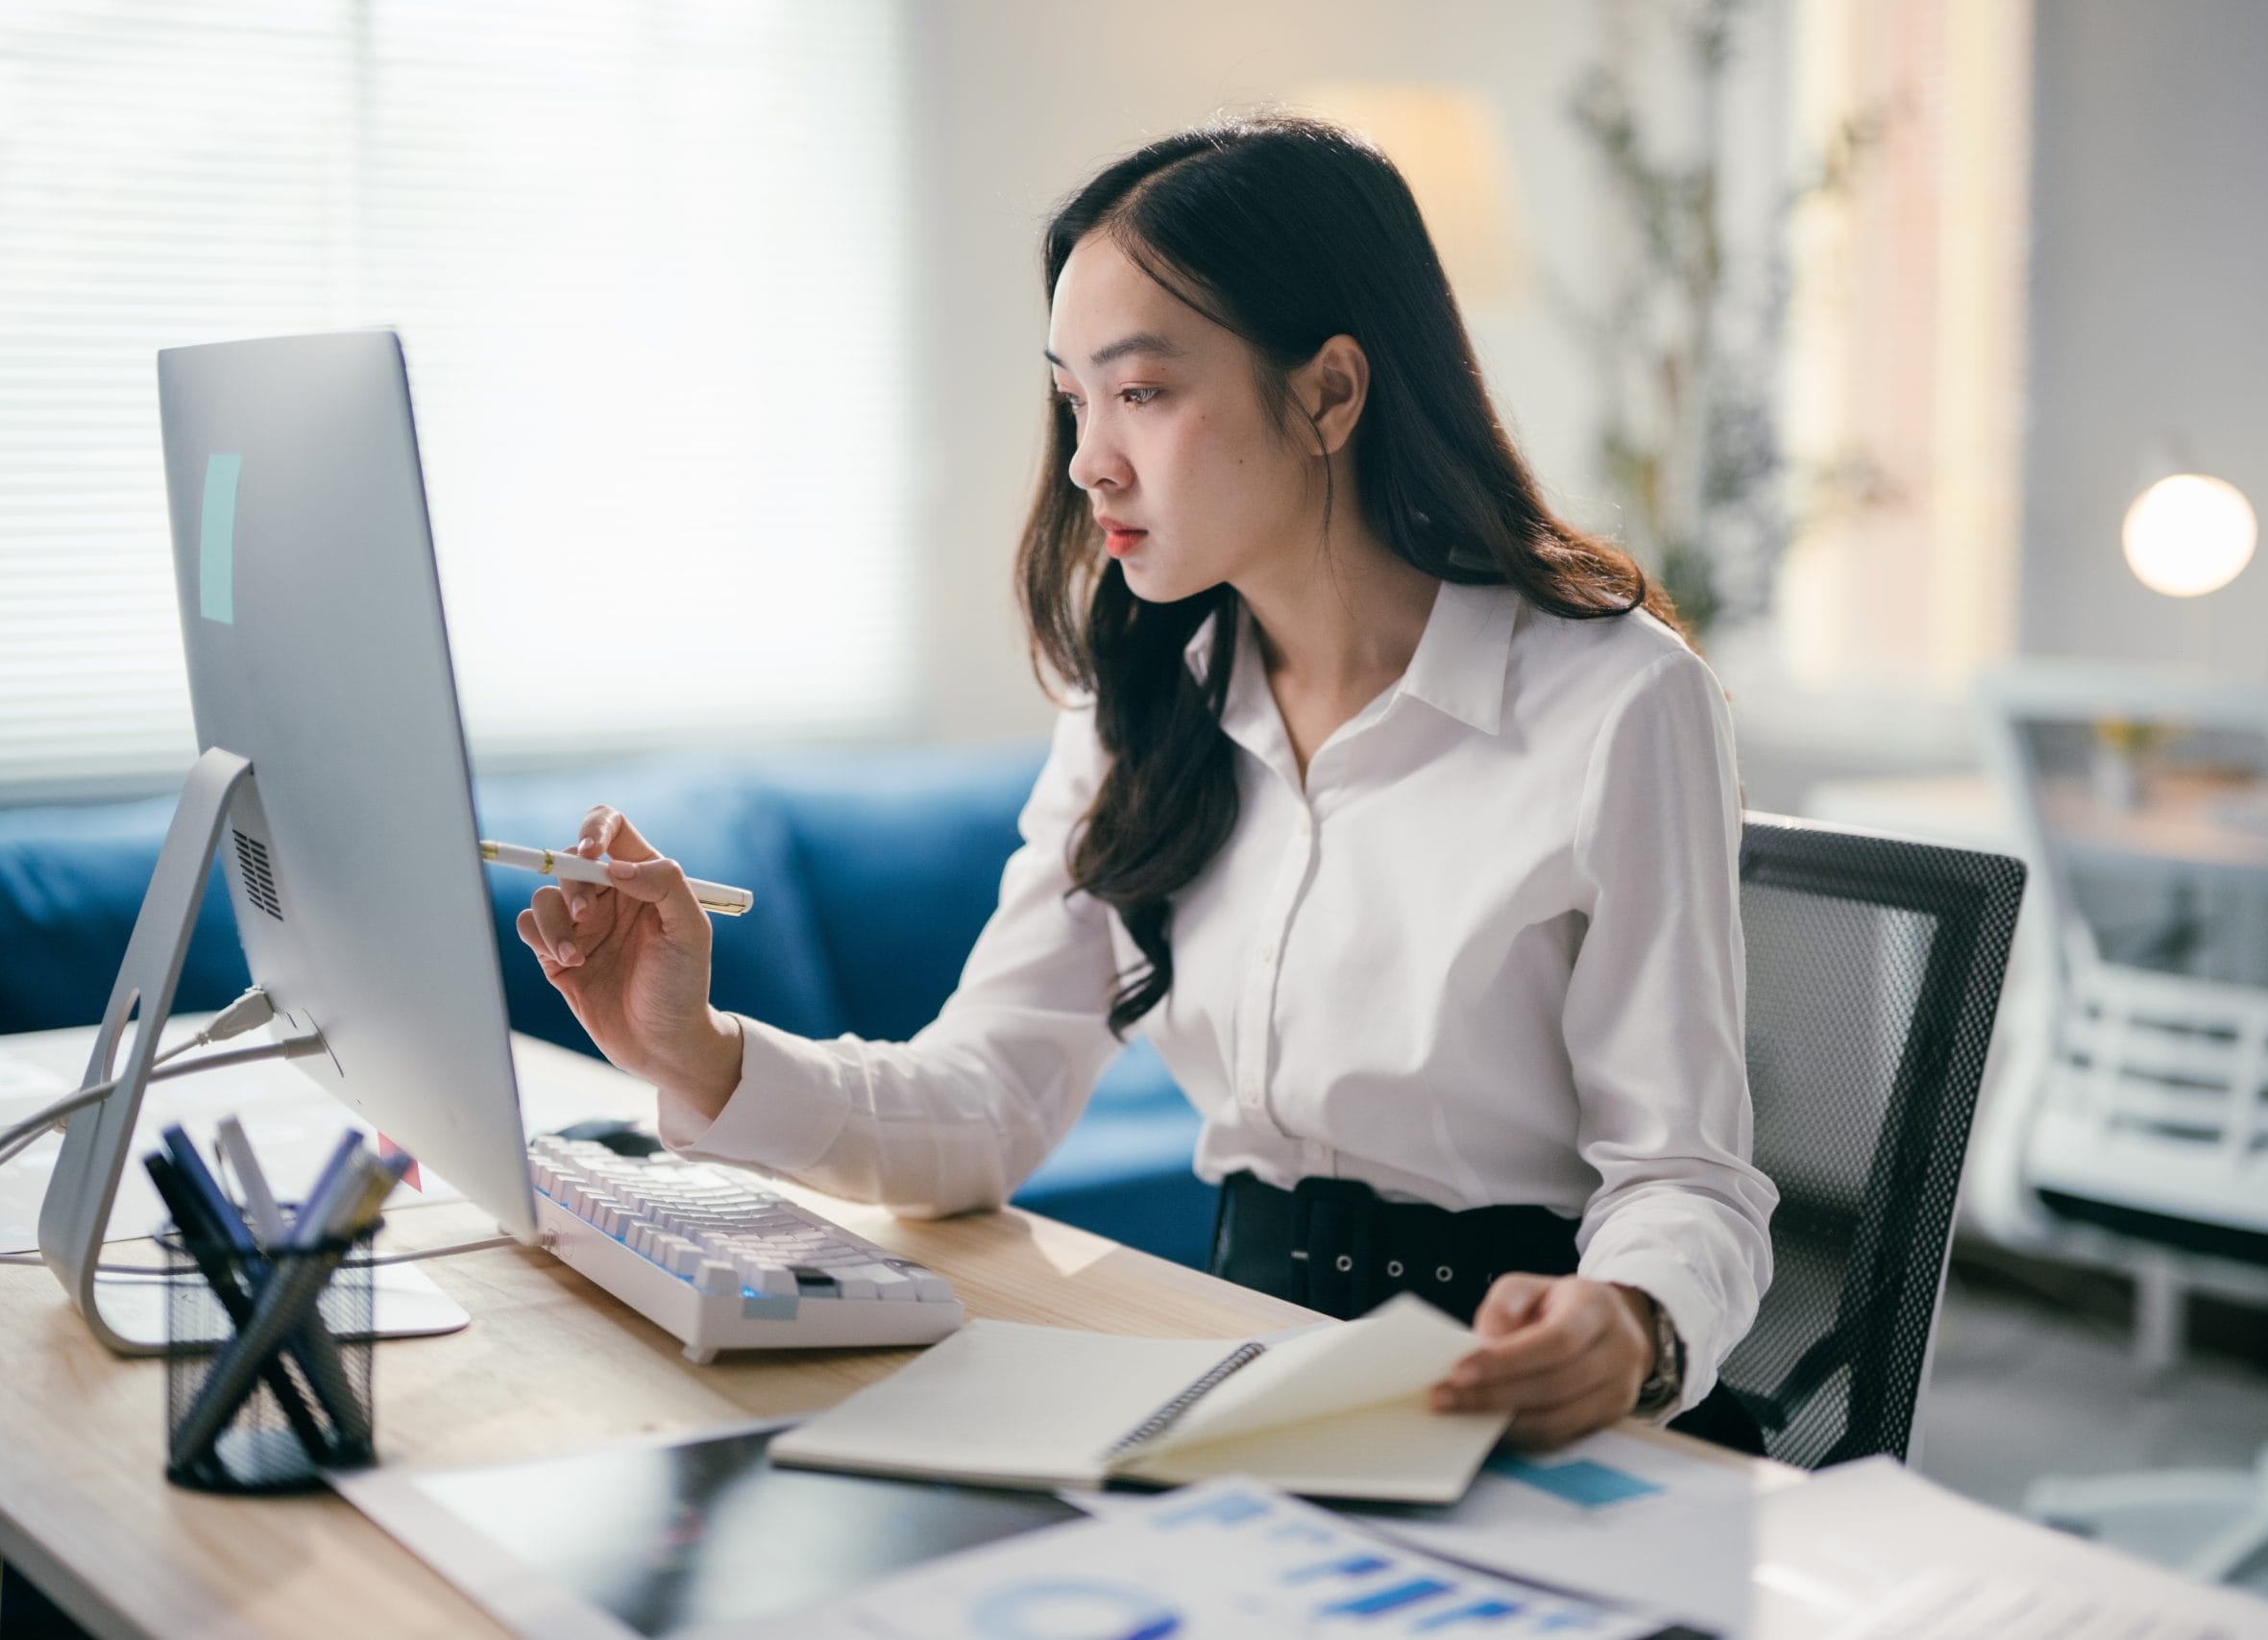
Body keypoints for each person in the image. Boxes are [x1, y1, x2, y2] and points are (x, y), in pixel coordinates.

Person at [516, 112, 1775, 1455]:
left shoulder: (1620, 700)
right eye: (1073, 398)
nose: (1086, 461)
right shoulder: (1143, 701)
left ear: (1329, 395)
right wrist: (696, 1051)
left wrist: (1632, 1323)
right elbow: (987, 1101)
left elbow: (1687, 1176)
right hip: (1239, 1364)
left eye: (1144, 393)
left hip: (1510, 1398)